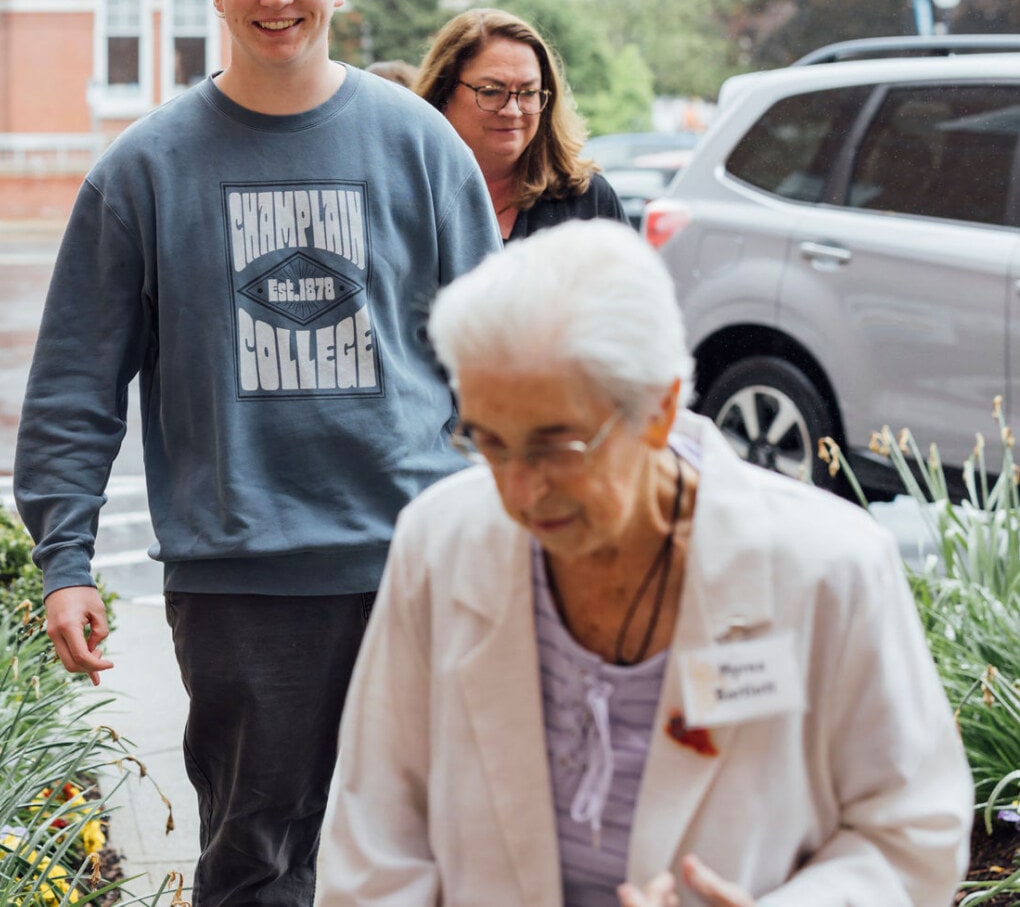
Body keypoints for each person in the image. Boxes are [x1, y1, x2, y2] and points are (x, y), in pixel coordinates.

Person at [13, 0, 500, 906]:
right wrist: (65, 558)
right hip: (241, 579)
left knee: (432, 853)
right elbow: (74, 383)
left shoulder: (419, 147)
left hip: (414, 562)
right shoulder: (145, 169)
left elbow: (500, 362)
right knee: (257, 864)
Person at [317, 221, 972, 907]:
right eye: (490, 443)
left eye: (556, 446)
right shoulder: (439, 541)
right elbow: (377, 841)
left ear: (659, 409)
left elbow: (911, 829)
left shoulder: (831, 568)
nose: (518, 491)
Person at [413, 9, 625, 241]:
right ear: (443, 94)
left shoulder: (588, 201)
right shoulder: (407, 195)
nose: (512, 111)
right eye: (491, 91)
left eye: (528, 92)